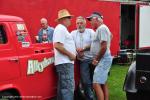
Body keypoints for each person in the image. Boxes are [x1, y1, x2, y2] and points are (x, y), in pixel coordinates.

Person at [86, 12, 113, 100]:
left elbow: (104, 46)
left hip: (103, 59)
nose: (90, 22)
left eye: (91, 20)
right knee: (103, 82)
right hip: (103, 58)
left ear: (96, 19)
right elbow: (110, 36)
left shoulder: (102, 28)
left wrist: (96, 59)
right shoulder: (101, 29)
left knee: (96, 83)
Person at [53, 9, 76, 100]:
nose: (70, 20)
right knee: (68, 88)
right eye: (69, 18)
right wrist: (70, 55)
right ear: (63, 19)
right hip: (65, 62)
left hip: (64, 63)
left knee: (63, 89)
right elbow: (57, 45)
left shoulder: (61, 29)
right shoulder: (61, 29)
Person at [71, 16, 94, 100]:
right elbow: (70, 44)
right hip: (83, 61)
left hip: (93, 59)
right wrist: (77, 53)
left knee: (96, 81)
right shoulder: (73, 33)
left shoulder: (90, 32)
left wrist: (83, 49)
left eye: (81, 23)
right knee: (85, 81)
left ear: (85, 23)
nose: (79, 25)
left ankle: (99, 96)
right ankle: (90, 97)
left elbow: (94, 44)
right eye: (77, 23)